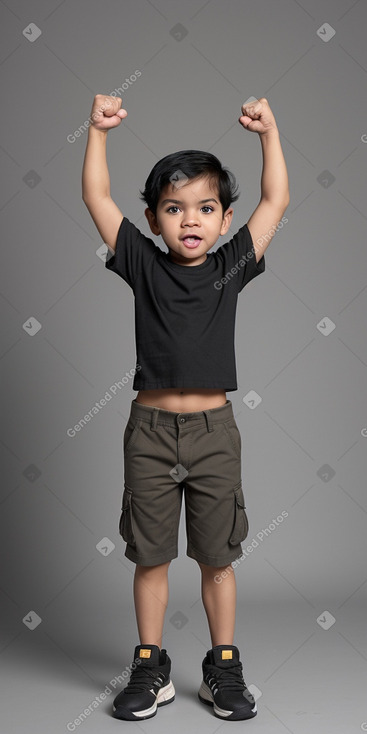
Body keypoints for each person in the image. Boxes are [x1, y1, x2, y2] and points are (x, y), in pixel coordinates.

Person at [82, 94, 289, 722]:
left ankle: (223, 666)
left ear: (225, 219)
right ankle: (151, 665)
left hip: (213, 433)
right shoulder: (143, 263)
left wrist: (270, 134)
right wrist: (97, 131)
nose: (190, 220)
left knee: (217, 558)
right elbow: (96, 196)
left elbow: (275, 200)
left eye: (205, 208)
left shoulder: (230, 267)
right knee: (150, 556)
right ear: (154, 218)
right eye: (174, 209)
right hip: (148, 432)